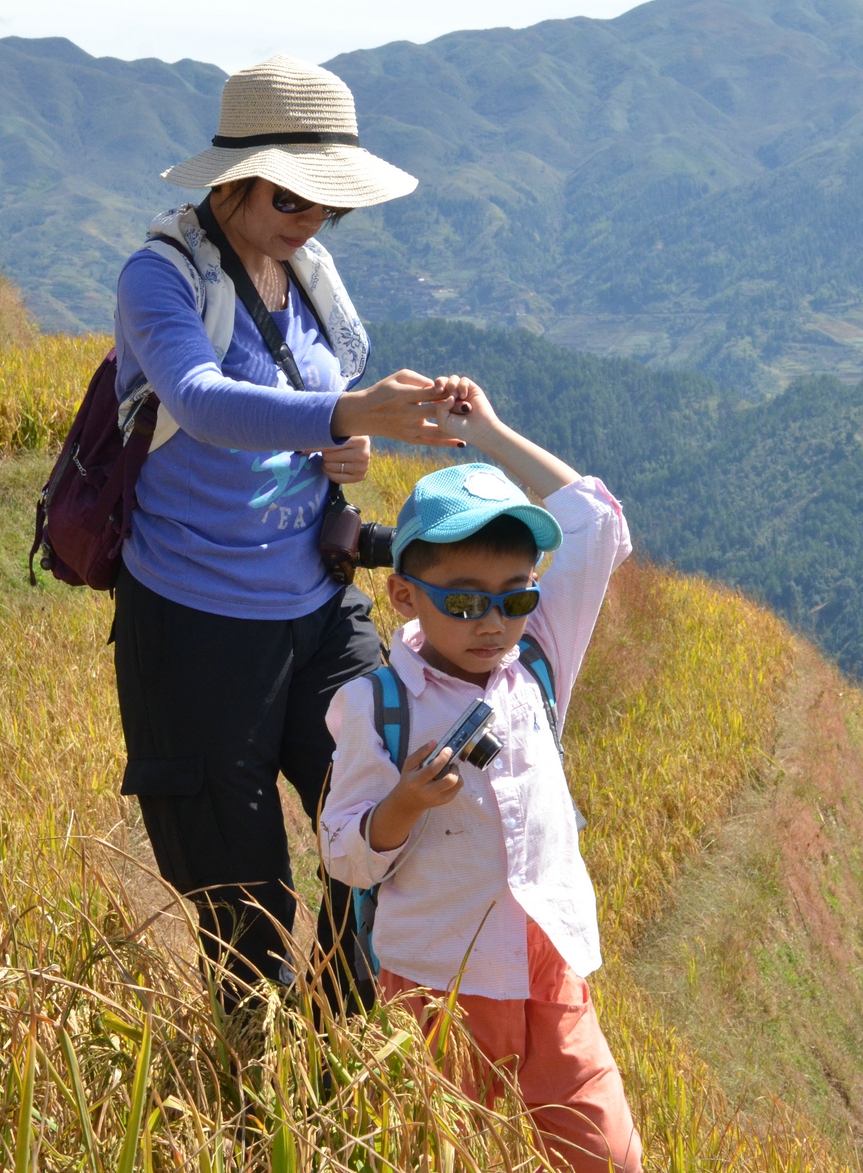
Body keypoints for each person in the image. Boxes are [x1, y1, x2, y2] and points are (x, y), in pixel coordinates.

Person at [112, 53, 464, 1009]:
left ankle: (334, 1043)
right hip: (197, 625)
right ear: (236, 180)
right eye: (294, 199)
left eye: (328, 204)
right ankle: (250, 1078)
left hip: (318, 607)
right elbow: (201, 399)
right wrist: (344, 413)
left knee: (387, 830)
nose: (313, 219)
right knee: (244, 907)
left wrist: (342, 445)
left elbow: (311, 405)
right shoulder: (160, 277)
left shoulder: (308, 272)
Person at [316, 377, 641, 1173]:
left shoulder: (537, 661)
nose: (493, 623)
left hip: (549, 967)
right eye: (463, 603)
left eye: (515, 597)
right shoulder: (378, 704)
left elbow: (596, 519)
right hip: (436, 983)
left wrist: (488, 431)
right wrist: (404, 803)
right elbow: (345, 853)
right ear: (404, 594)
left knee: (607, 1157)